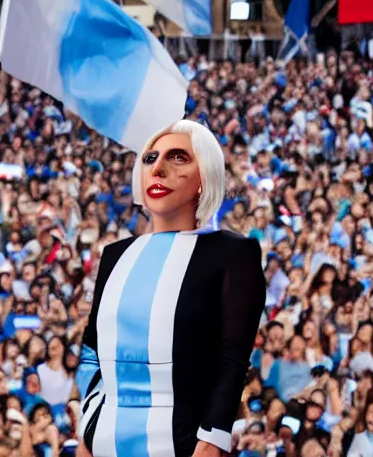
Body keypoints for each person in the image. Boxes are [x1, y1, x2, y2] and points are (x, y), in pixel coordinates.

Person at [76, 120, 266, 456]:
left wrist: (212, 439)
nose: (159, 168)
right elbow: (92, 351)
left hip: (184, 443)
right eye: (150, 159)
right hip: (104, 442)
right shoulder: (115, 255)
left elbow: (233, 359)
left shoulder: (234, 252)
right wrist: (86, 431)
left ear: (204, 177)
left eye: (178, 157)